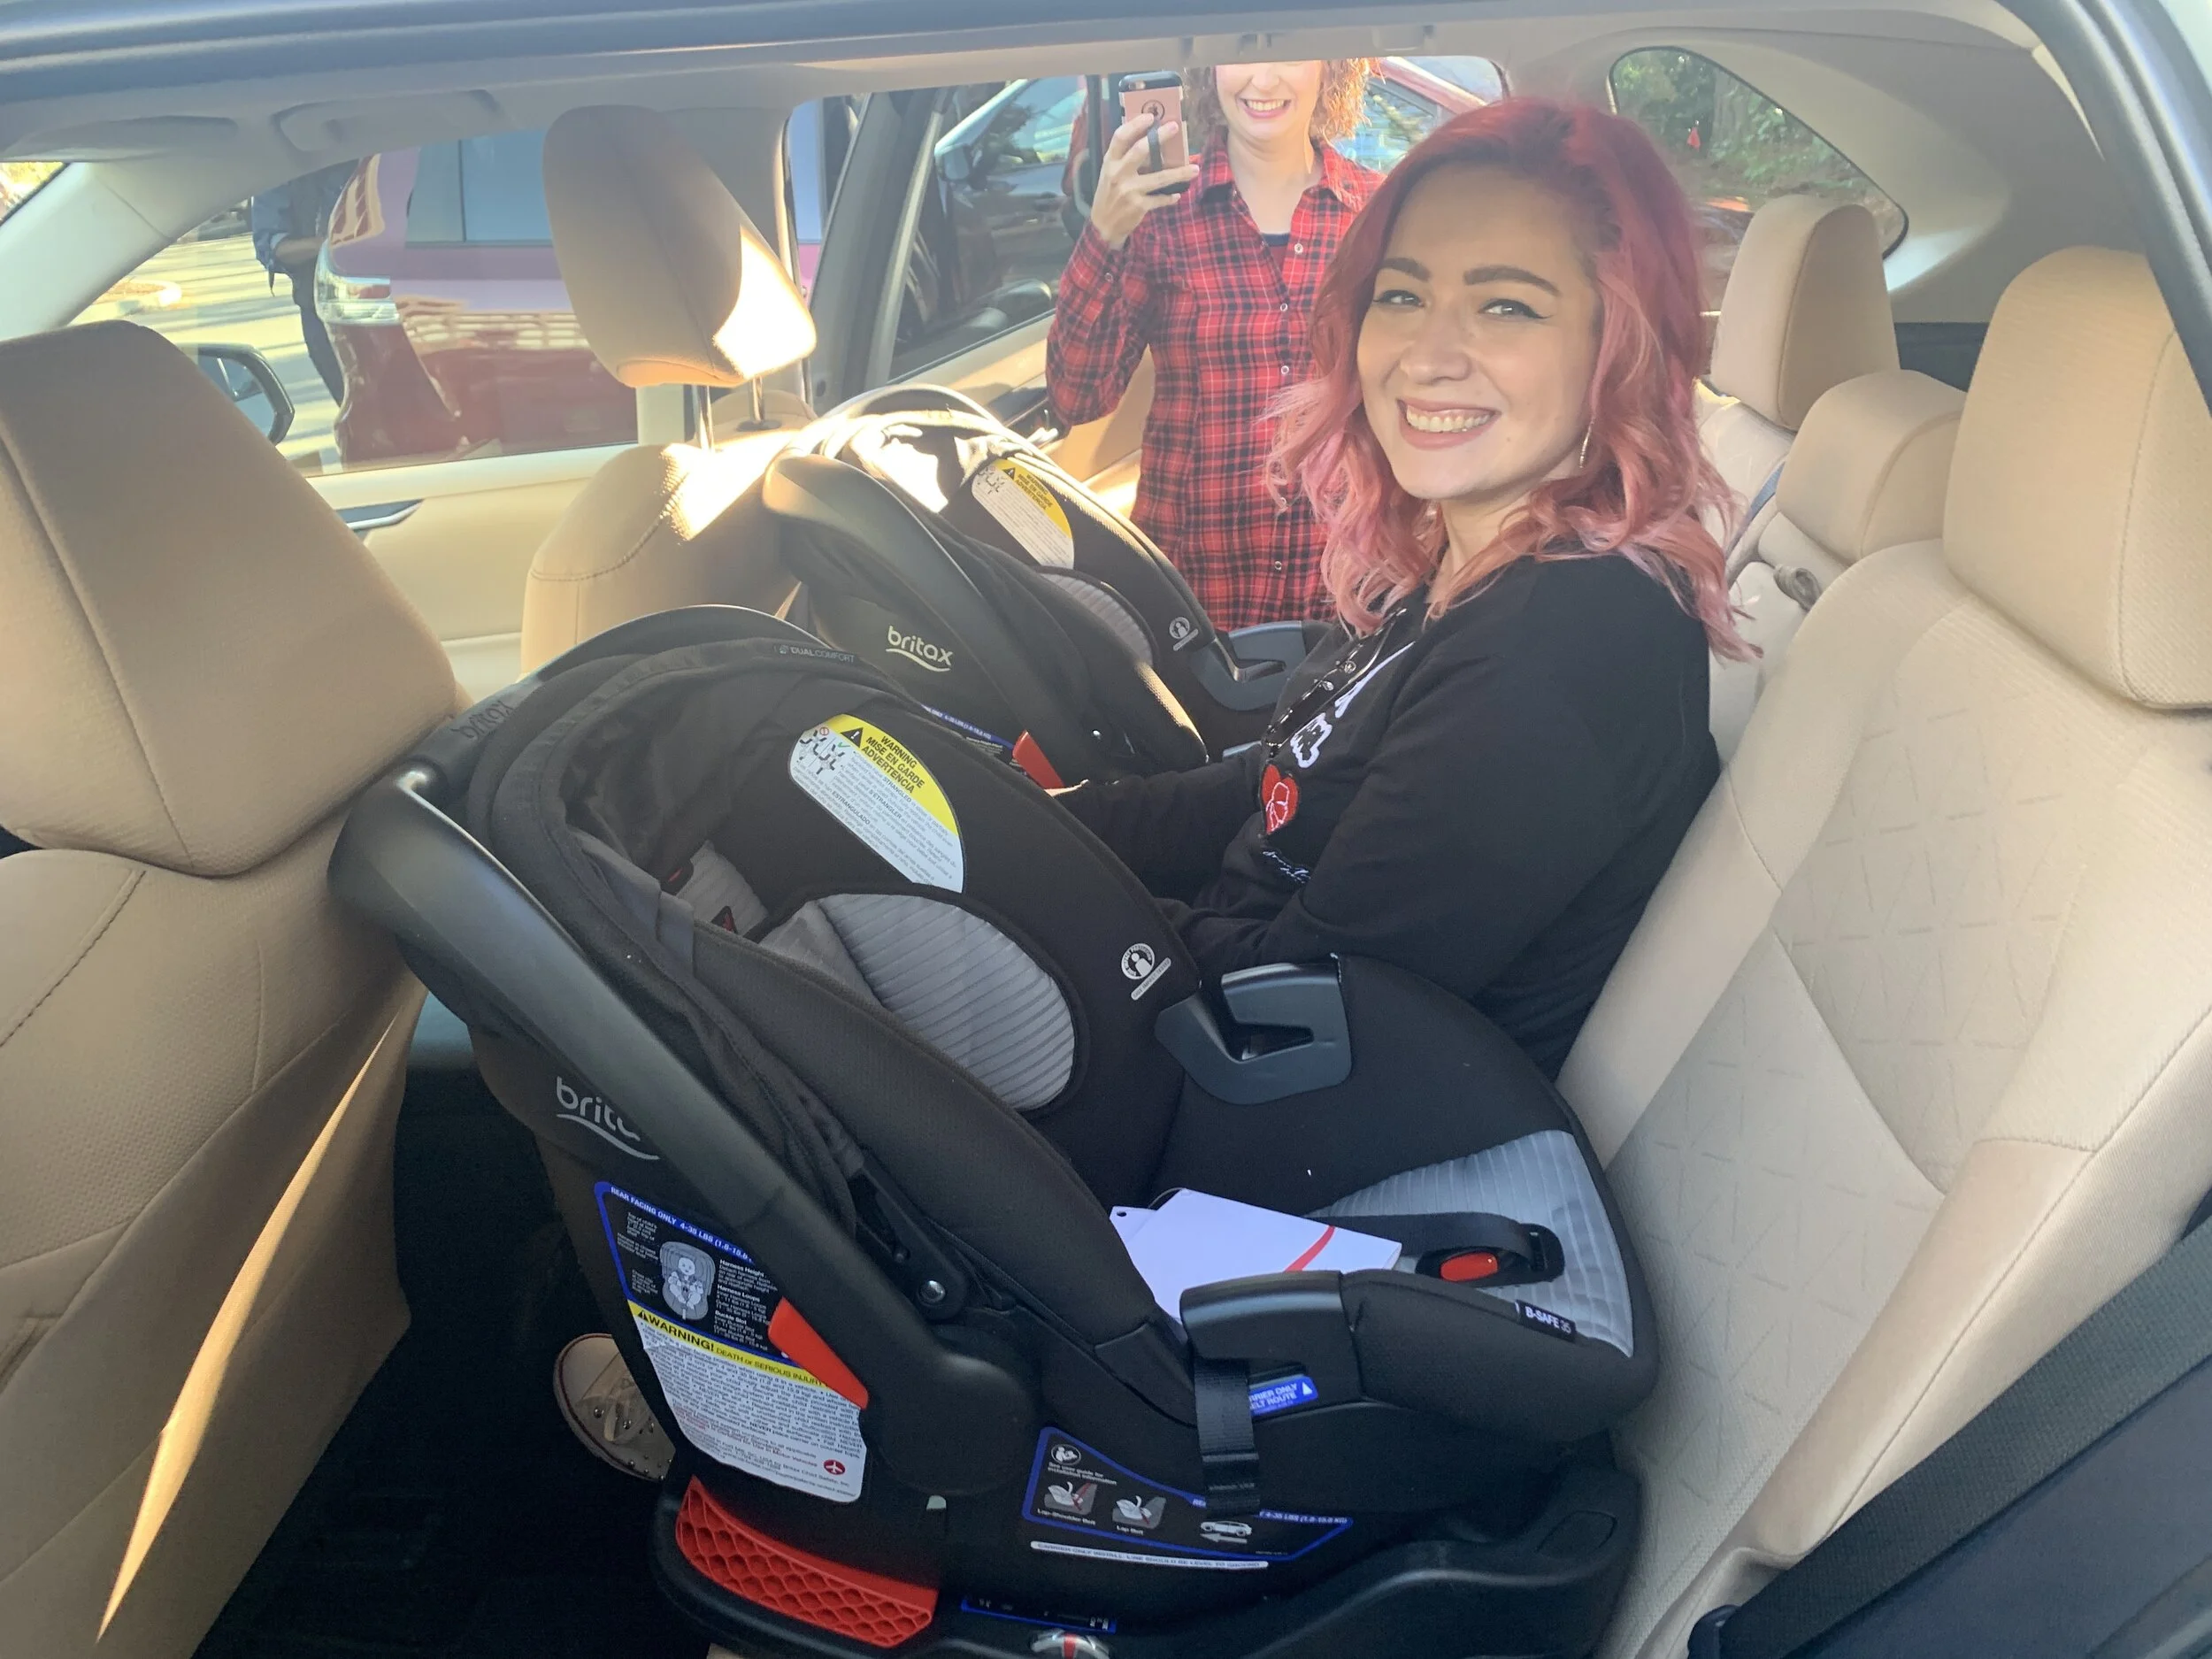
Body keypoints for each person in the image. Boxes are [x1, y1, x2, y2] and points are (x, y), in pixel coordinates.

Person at [1057, 99, 1751, 1077]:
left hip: (1276, 1109)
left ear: (1616, 345)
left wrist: (1033, 901)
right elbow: (1275, 784)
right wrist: (1033, 825)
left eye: (1506, 304)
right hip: (1222, 1003)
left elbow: (1308, 1004)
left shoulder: (1563, 641)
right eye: (1402, 295)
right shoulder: (1463, 562)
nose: (1426, 357)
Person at [1048, 62, 1380, 631]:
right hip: (1193, 592)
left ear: (1331, 66)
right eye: (1242, 53)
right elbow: (1077, 397)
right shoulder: (1155, 212)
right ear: (1207, 68)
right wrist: (1105, 230)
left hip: (1342, 583)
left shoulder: (1378, 212)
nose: (1265, 81)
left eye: (1291, 53)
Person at [250, 162, 353, 403]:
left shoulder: (384, 154)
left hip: (401, 304)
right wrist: (332, 245)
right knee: (358, 413)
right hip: (324, 313)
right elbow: (272, 248)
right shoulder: (282, 169)